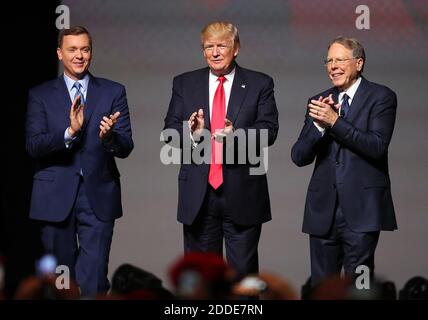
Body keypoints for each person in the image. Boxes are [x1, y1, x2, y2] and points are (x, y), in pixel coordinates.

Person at [163, 21, 278, 276]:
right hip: (199, 196)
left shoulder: (260, 83)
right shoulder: (184, 83)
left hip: (243, 194)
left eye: (221, 46)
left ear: (235, 48)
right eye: (208, 47)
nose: (214, 52)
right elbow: (169, 133)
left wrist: (235, 135)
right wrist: (193, 135)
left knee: (243, 279)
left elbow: (269, 131)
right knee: (201, 280)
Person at [25, 26, 133, 296]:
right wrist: (69, 133)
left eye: (85, 49)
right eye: (72, 49)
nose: (79, 55)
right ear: (60, 53)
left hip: (98, 195)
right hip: (54, 196)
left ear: (91, 53)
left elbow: (126, 146)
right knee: (59, 281)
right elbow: (34, 145)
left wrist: (109, 137)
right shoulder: (40, 94)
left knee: (94, 277)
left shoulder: (113, 91)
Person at [291, 36, 397, 287]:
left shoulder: (381, 97)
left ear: (358, 63)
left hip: (362, 211)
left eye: (340, 60)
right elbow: (298, 156)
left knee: (358, 286)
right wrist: (318, 125)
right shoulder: (318, 101)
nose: (333, 66)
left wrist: (335, 122)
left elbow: (377, 147)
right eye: (329, 61)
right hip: (322, 211)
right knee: (322, 288)